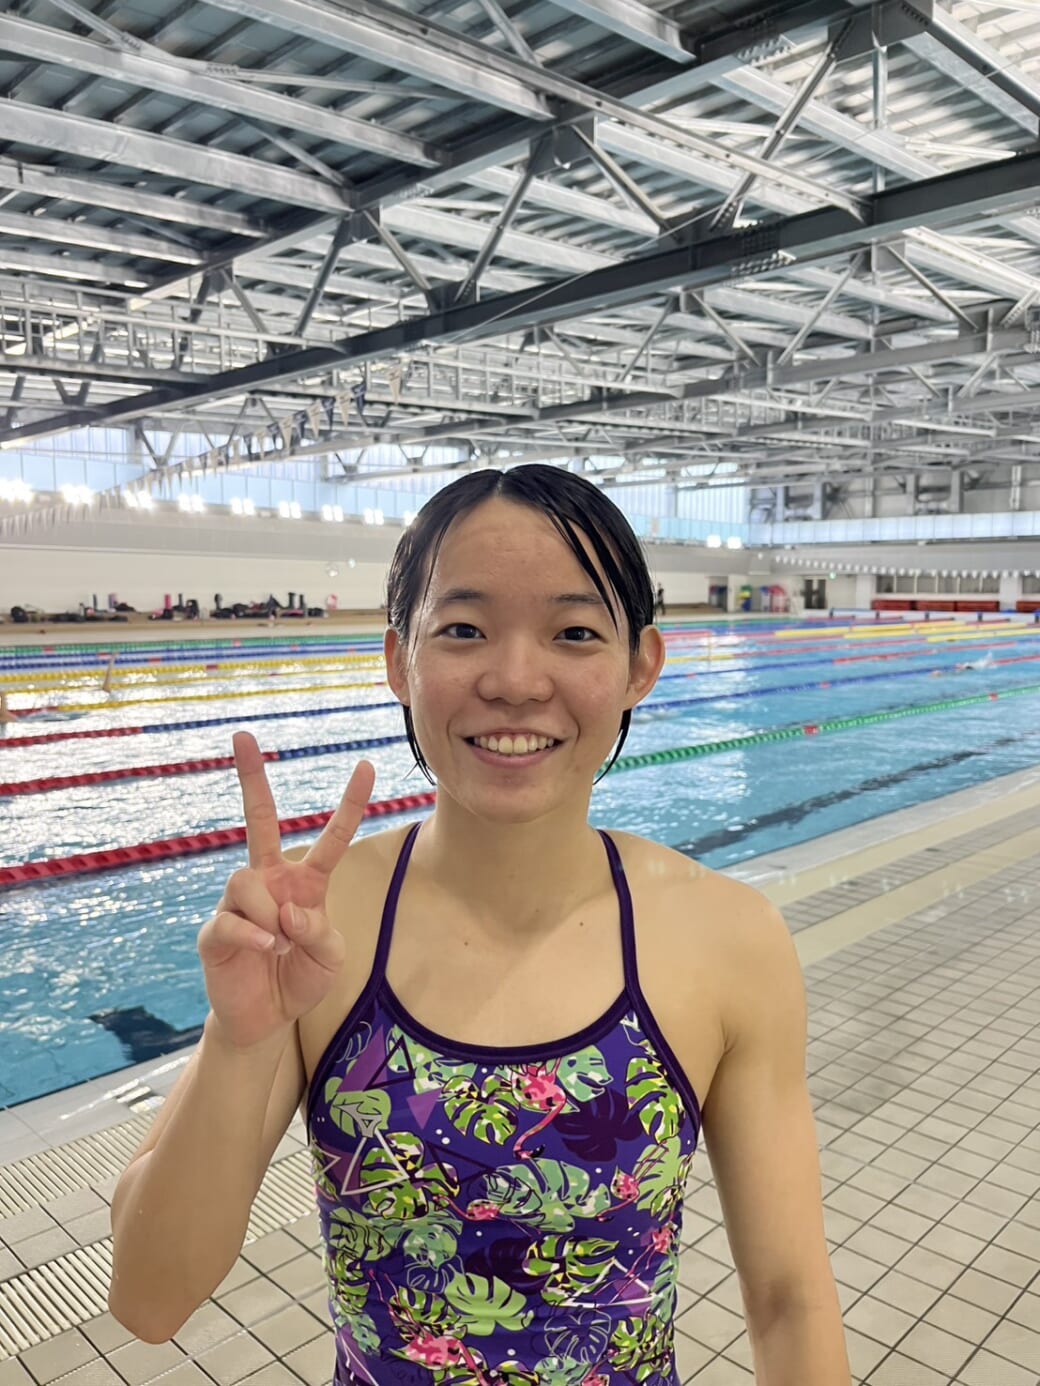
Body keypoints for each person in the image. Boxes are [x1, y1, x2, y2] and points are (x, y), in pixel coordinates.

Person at [107, 466, 850, 1383]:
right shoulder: (317, 928)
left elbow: (789, 1298)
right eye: (463, 630)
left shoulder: (727, 940)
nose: (514, 681)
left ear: (639, 668)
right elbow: (148, 1301)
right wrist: (239, 1040)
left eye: (574, 632)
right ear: (398, 660)